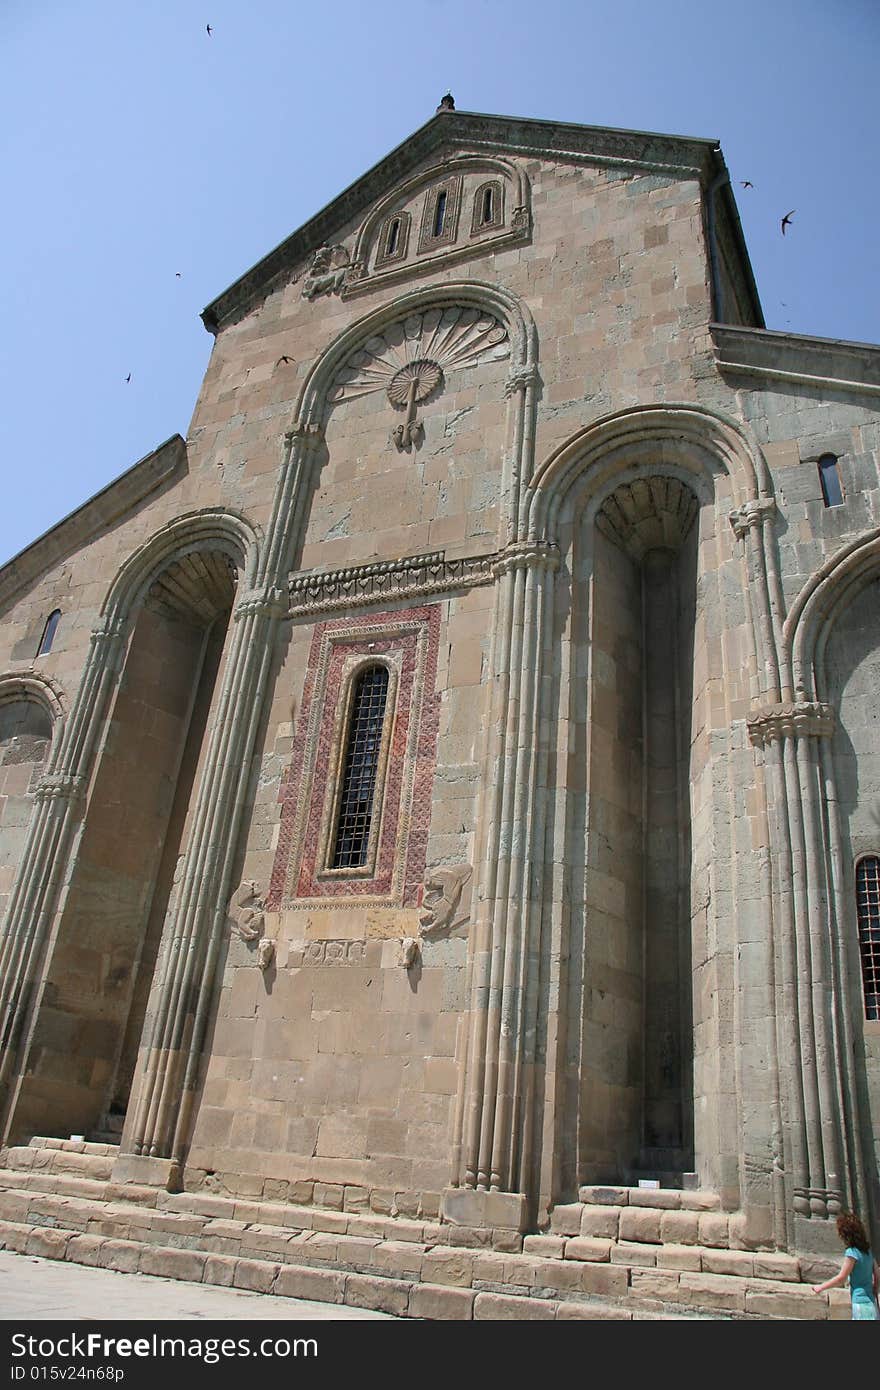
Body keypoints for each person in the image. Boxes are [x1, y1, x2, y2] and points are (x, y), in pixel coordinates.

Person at [811, 1212, 879, 1320]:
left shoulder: (852, 1253)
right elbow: (877, 1273)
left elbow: (841, 1278)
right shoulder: (868, 1252)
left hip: (860, 1305)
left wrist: (821, 1287)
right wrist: (875, 1288)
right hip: (871, 1304)